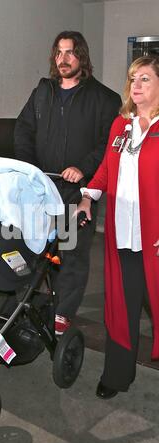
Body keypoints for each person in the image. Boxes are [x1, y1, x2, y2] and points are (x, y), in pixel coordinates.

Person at [14, 31, 121, 336]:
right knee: (35, 248)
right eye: (59, 53)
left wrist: (83, 168)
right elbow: (23, 130)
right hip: (42, 187)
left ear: (82, 56)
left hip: (79, 192)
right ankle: (36, 301)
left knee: (72, 254)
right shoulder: (42, 92)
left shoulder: (104, 99)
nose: (63, 59)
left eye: (70, 53)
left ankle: (63, 313)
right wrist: (30, 169)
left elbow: (108, 144)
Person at [76, 55, 159, 398]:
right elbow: (107, 170)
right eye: (133, 79)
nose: (136, 86)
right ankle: (117, 375)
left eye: (145, 79)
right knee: (121, 307)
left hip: (155, 239)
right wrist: (87, 198)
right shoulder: (120, 125)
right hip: (122, 236)